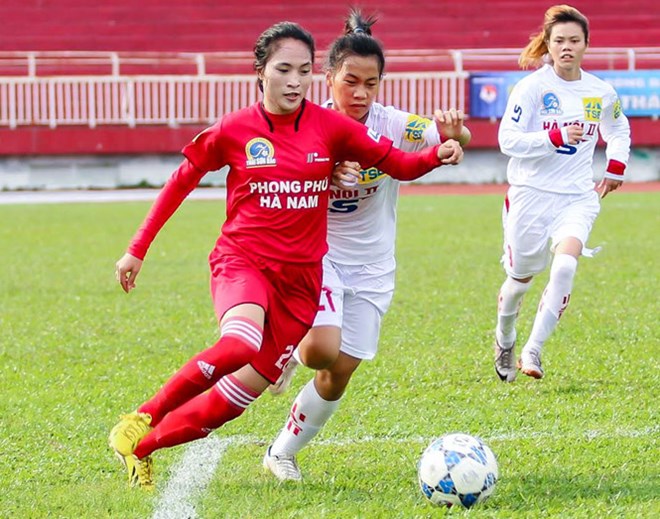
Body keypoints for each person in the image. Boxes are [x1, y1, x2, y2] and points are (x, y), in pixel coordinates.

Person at [108, 21, 464, 490]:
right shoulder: (235, 129)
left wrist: (439, 153)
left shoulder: (331, 127)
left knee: (237, 399)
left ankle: (142, 449)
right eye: (283, 70)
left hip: (303, 282)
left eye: (302, 71)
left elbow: (397, 163)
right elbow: (182, 180)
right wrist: (137, 249)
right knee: (239, 344)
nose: (294, 81)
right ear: (260, 72)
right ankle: (141, 418)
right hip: (244, 262)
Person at [261, 9, 472, 482]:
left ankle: (281, 451)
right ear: (328, 76)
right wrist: (323, 173)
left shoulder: (394, 123)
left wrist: (454, 136)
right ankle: (288, 348)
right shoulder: (302, 125)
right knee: (319, 351)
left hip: (375, 264)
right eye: (349, 81)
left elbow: (455, 137)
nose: (359, 93)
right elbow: (274, 180)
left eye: (370, 84)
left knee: (340, 370)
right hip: (319, 255)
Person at [493, 5, 630, 382]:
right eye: (559, 41)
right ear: (548, 46)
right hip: (530, 195)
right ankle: (505, 337)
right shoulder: (532, 88)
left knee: (566, 265)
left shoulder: (600, 91)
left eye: (574, 40)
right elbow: (507, 140)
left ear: (586, 44)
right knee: (519, 281)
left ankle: (533, 348)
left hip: (576, 196)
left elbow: (618, 128)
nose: (567, 47)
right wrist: (552, 137)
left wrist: (616, 165)